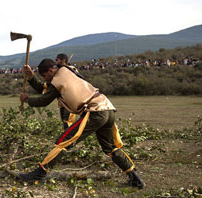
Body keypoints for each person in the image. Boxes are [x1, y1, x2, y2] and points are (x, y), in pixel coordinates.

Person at [18, 58, 145, 188]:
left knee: (64, 141)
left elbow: (43, 100)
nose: (45, 80)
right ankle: (134, 177)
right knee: (110, 147)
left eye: (45, 76)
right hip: (107, 108)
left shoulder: (57, 81)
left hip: (94, 111)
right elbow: (45, 89)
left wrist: (27, 99)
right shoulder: (69, 69)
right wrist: (31, 77)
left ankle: (39, 173)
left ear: (51, 70)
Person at [25, 53, 78, 130]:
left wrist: (27, 99)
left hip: (73, 105)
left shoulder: (68, 72)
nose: (55, 62)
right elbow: (43, 88)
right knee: (66, 129)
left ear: (63, 61)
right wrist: (31, 75)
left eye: (57, 60)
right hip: (64, 105)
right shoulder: (56, 77)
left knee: (68, 131)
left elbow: (43, 101)